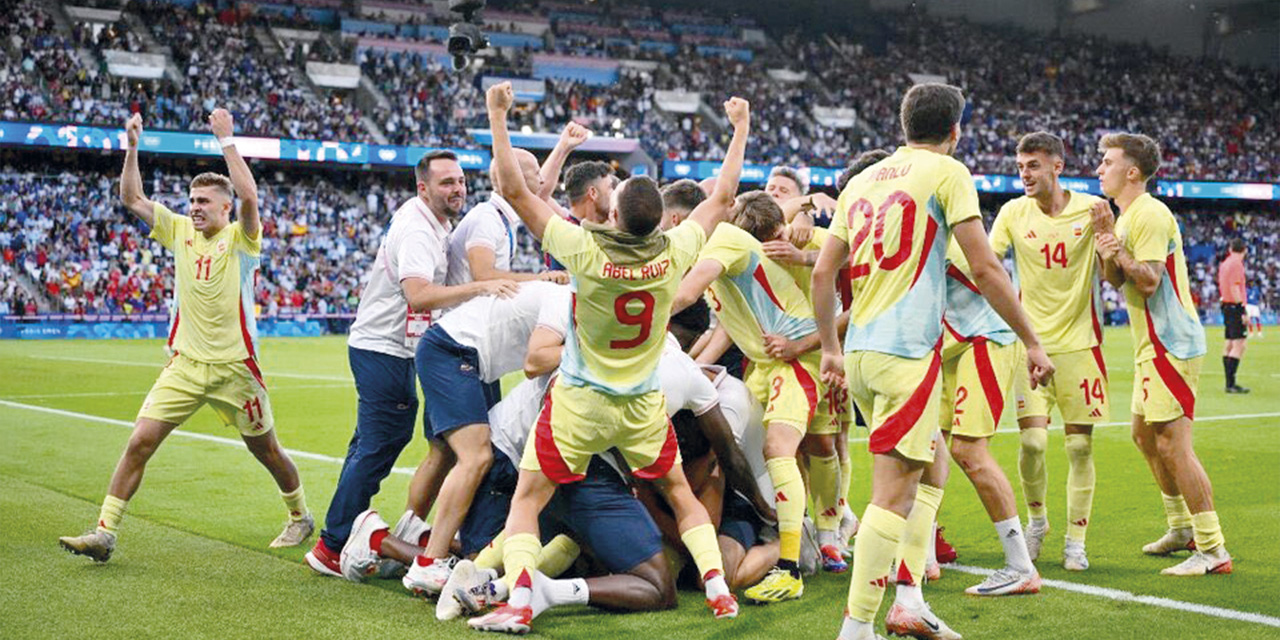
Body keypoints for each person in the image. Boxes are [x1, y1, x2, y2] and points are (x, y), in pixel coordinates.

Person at [467, 82, 750, 633]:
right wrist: (739, 128)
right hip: (642, 403)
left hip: (580, 402)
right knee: (679, 492)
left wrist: (497, 116)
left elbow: (513, 190)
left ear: (615, 214)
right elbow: (723, 196)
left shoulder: (583, 248)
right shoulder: (675, 251)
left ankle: (522, 600)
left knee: (527, 500)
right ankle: (716, 586)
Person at [812, 83, 1053, 640]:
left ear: (902, 125)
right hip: (907, 355)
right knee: (891, 496)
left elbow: (824, 274)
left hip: (861, 354)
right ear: (955, 130)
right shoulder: (948, 172)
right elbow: (987, 269)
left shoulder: (861, 182)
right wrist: (1033, 341)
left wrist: (828, 349)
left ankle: (913, 599)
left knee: (934, 467)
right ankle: (858, 628)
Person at [59, 111, 314, 562]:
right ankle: (105, 532)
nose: (194, 207)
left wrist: (228, 139)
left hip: (237, 368)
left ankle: (299, 516)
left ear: (224, 208)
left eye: (204, 202)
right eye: (192, 199)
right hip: (185, 364)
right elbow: (131, 196)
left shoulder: (241, 238)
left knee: (266, 450)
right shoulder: (177, 229)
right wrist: (133, 145)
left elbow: (251, 195)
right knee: (139, 441)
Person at [304, 150, 518, 577]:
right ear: (423, 188)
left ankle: (361, 532)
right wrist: (483, 286)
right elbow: (418, 295)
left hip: (397, 346)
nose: (457, 189)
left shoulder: (433, 222)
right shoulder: (419, 229)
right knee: (381, 442)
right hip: (384, 346)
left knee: (376, 441)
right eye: (446, 183)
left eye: (460, 181)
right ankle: (334, 543)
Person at [673, 190, 845, 605]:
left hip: (798, 358)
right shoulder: (731, 243)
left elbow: (684, 294)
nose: (679, 228)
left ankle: (793, 563)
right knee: (762, 449)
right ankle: (796, 530)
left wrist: (638, 319)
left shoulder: (727, 240)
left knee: (781, 448)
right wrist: (686, 363)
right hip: (764, 361)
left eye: (681, 219)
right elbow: (727, 326)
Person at [1093, 133, 1232, 576]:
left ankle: (1212, 549)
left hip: (1171, 344)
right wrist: (1104, 240)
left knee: (1173, 445)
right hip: (1149, 346)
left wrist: (1112, 243)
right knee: (1145, 437)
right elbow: (1116, 279)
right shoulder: (1127, 216)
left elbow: (1148, 279)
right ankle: (1181, 528)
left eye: (1108, 162)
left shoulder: (1150, 214)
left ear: (1131, 172)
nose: (1100, 169)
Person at [396, 281, 572, 593]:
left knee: (448, 455)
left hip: (466, 356)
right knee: (476, 456)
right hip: (452, 350)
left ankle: (405, 538)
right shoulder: (562, 300)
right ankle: (428, 561)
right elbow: (535, 361)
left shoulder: (562, 295)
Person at [987, 131, 1109, 571]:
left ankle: (1076, 541)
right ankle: (1036, 523)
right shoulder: (1012, 212)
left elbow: (1112, 273)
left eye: (1033, 165)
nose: (1025, 174)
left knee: (1078, 449)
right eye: (1020, 166)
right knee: (1034, 442)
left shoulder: (1091, 209)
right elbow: (984, 261)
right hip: (1029, 345)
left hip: (1081, 346)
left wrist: (1109, 237)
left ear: (1057, 166)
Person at [446, 125, 587, 287]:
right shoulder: (486, 218)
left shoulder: (501, 215)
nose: (541, 180)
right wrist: (540, 278)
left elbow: (539, 196)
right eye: (536, 173)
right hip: (467, 309)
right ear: (517, 178)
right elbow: (483, 276)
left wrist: (563, 147)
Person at [1217, 238, 1249, 393]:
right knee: (1239, 344)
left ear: (1230, 249)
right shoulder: (1237, 265)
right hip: (1234, 306)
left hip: (1225, 305)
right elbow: (1235, 287)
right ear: (1245, 250)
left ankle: (1228, 382)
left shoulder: (1225, 264)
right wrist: (1242, 309)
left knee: (1229, 343)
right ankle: (1231, 383)